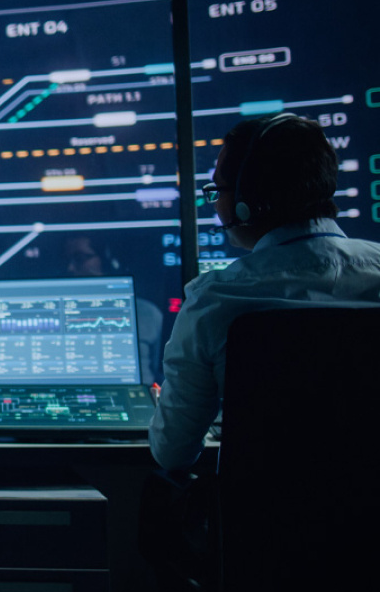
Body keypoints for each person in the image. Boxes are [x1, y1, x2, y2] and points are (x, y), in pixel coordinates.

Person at [149, 113, 380, 470]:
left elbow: (173, 452)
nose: (216, 205)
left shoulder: (216, 300)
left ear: (247, 201)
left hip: (268, 504)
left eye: (218, 191)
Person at [62, 234, 165, 383]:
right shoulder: (61, 313)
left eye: (80, 259)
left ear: (108, 260)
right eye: (68, 260)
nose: (70, 268)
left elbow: (161, 370)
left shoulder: (147, 313)